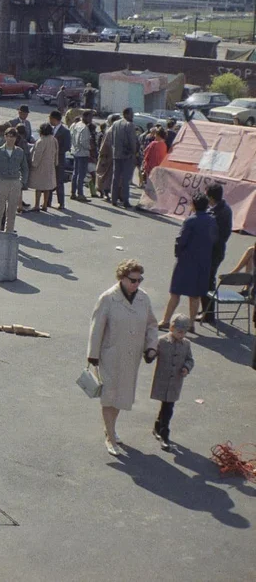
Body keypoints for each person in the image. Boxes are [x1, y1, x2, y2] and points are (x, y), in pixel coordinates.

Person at [87, 259, 159, 456]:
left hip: (131, 357)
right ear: (122, 278)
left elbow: (152, 325)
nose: (136, 284)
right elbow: (96, 328)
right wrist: (92, 355)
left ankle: (110, 428)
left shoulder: (143, 299)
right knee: (109, 397)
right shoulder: (108, 298)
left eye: (139, 280)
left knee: (120, 398)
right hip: (110, 356)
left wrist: (151, 347)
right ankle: (110, 437)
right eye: (133, 280)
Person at [158, 194, 217, 331]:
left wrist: (178, 254)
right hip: (203, 262)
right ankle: (191, 324)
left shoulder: (190, 221)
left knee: (175, 293)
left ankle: (166, 320)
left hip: (186, 261)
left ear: (193, 205)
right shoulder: (212, 221)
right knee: (195, 295)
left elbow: (181, 240)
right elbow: (214, 240)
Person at [148, 314, 194, 451]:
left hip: (175, 382)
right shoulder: (161, 341)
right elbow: (152, 354)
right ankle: (159, 429)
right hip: (163, 380)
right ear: (171, 328)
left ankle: (163, 433)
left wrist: (186, 368)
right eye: (179, 331)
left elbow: (190, 360)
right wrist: (149, 354)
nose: (182, 335)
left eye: (184, 332)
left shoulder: (186, 344)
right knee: (165, 405)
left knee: (168, 407)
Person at [200, 183, 233, 323]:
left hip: (213, 252)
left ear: (211, 197)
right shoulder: (224, 209)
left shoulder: (215, 214)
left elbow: (211, 235)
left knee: (207, 282)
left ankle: (208, 314)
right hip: (217, 251)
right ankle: (207, 311)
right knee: (208, 280)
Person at [0, 128, 29, 233]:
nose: (11, 139)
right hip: (2, 181)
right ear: (5, 136)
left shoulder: (19, 152)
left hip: (15, 182)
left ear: (16, 138)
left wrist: (22, 182)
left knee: (11, 211)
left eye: (13, 136)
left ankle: (8, 233)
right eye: (9, 136)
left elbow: (25, 168)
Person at [111, 107, 138, 209]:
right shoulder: (129, 125)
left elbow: (112, 139)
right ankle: (125, 200)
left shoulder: (115, 124)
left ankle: (114, 199)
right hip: (126, 155)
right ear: (126, 114)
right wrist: (134, 153)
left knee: (115, 177)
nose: (133, 116)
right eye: (131, 114)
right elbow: (132, 141)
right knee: (126, 179)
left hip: (116, 153)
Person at [28, 123, 58, 213]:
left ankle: (37, 205)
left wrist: (33, 164)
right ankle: (45, 204)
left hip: (41, 166)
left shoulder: (41, 141)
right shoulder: (54, 139)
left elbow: (37, 155)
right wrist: (56, 163)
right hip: (50, 166)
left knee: (39, 186)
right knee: (47, 187)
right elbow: (56, 152)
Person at [47, 110, 71, 209]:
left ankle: (61, 203)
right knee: (48, 181)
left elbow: (67, 146)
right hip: (49, 160)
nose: (49, 120)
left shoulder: (65, 131)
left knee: (59, 181)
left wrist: (56, 151)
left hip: (59, 160)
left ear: (55, 119)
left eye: (50, 118)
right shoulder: (48, 129)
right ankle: (47, 201)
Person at [70, 110, 93, 202]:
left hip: (76, 151)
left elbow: (72, 136)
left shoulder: (77, 124)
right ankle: (80, 194)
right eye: (90, 117)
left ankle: (73, 192)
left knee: (75, 173)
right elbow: (83, 142)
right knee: (81, 174)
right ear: (86, 117)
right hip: (83, 152)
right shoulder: (84, 128)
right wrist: (89, 147)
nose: (91, 119)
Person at [96, 115, 117, 202]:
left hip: (115, 157)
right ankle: (105, 193)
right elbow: (104, 146)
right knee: (106, 176)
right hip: (108, 157)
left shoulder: (116, 130)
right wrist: (103, 156)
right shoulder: (110, 131)